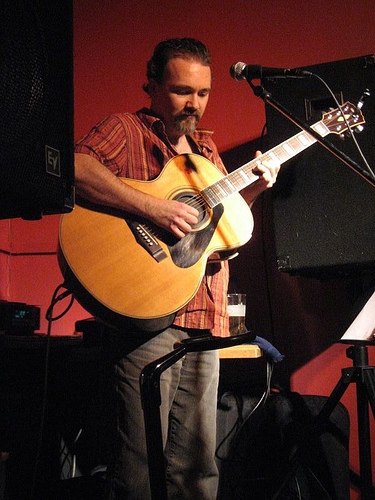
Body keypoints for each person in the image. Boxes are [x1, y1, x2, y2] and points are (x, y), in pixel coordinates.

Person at [74, 38, 279, 500]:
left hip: (202, 317)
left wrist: (253, 191)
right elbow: (74, 167)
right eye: (182, 90)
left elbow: (215, 228)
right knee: (138, 465)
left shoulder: (206, 154)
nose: (194, 104)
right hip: (148, 316)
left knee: (197, 467)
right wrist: (153, 208)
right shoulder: (128, 130)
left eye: (203, 93)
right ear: (150, 83)